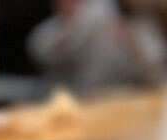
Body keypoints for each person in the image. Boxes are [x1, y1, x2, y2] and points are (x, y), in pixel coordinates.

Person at [27, 0, 166, 93]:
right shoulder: (59, 27)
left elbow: (156, 67)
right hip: (79, 99)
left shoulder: (139, 25)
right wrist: (73, 22)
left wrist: (131, 42)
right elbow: (40, 50)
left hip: (122, 98)